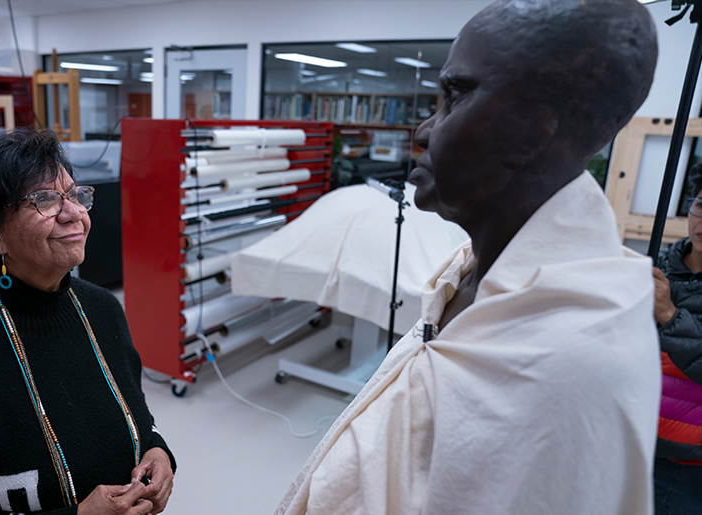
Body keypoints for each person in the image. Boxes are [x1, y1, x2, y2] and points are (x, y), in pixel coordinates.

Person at [276, 1, 661, 514]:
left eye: (454, 97)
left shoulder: (576, 365)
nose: (423, 131)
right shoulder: (470, 271)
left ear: (538, 126)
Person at [0, 127, 175, 515]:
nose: (74, 214)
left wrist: (157, 449)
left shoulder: (102, 308)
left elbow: (135, 407)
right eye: (44, 199)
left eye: (75, 195)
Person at [652, 166, 702, 515]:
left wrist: (669, 316)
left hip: (685, 463)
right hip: (631, 438)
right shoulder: (659, 266)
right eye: (701, 206)